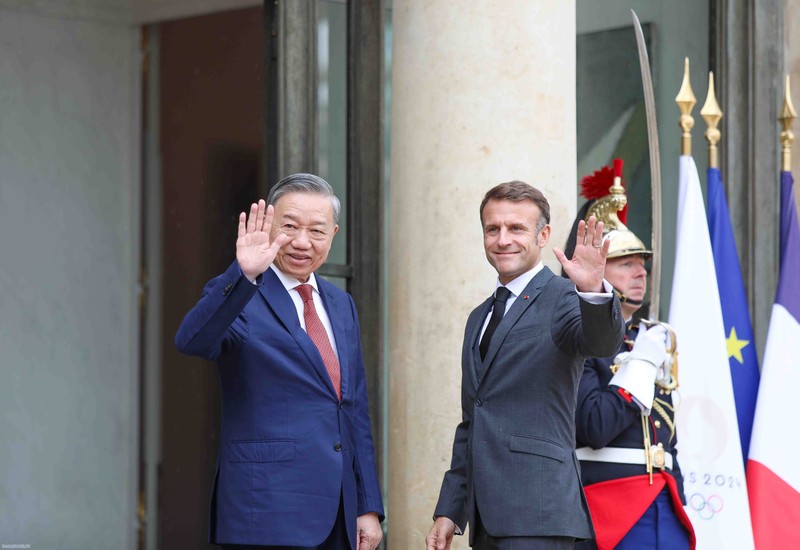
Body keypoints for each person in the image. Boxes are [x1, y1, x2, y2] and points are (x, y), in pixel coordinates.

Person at [175, 173, 384, 549]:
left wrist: (367, 505)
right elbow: (193, 341)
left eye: (317, 231)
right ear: (269, 224)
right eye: (289, 226)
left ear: (333, 233)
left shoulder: (341, 304)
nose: (302, 241)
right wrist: (243, 274)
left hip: (339, 514)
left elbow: (353, 412)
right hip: (267, 511)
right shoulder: (242, 293)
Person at [426, 181, 625, 550]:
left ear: (543, 234)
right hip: (487, 518)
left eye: (516, 228)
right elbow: (474, 421)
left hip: (541, 512)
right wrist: (450, 510)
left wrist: (593, 292)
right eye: (492, 229)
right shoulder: (478, 317)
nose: (503, 239)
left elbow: (601, 343)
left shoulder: (565, 297)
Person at [570, 161, 695, 549]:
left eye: (642, 264)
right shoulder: (577, 337)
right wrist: (639, 364)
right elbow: (593, 426)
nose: (641, 273)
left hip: (666, 501)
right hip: (608, 506)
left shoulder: (648, 338)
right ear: (598, 270)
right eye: (626, 264)